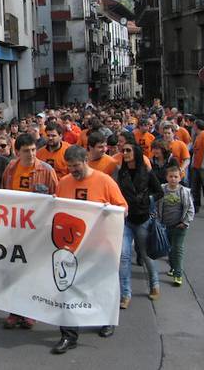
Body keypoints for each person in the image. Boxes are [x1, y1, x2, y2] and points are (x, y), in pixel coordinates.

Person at [52, 145, 127, 354]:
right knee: (66, 288)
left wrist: (106, 213)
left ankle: (105, 319)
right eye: (69, 167)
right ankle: (68, 335)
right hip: (72, 247)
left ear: (85, 160)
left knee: (100, 287)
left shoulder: (105, 181)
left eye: (76, 166)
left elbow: (122, 208)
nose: (73, 171)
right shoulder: (64, 183)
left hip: (100, 246)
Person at [1, 133, 58, 330]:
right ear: (17, 152)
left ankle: (31, 312)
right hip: (15, 230)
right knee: (14, 271)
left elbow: (55, 198)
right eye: (27, 151)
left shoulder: (46, 170)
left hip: (37, 230)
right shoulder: (10, 169)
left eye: (34, 150)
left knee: (33, 272)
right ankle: (14, 311)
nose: (32, 154)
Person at [117, 143, 164, 307]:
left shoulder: (146, 172)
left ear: (136, 153)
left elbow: (159, 192)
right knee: (124, 257)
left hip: (143, 219)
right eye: (123, 151)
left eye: (128, 150)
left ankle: (155, 284)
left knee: (145, 255)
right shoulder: (121, 172)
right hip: (126, 220)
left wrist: (147, 200)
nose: (125, 153)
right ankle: (125, 294)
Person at [157, 165, 195, 287]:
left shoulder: (184, 191)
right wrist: (157, 221)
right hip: (164, 226)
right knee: (169, 248)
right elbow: (156, 206)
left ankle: (178, 274)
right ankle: (173, 267)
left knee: (177, 249)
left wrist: (185, 222)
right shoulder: (162, 190)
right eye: (171, 176)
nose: (173, 179)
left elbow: (190, 209)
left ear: (180, 177)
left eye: (176, 177)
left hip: (179, 226)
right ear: (166, 177)